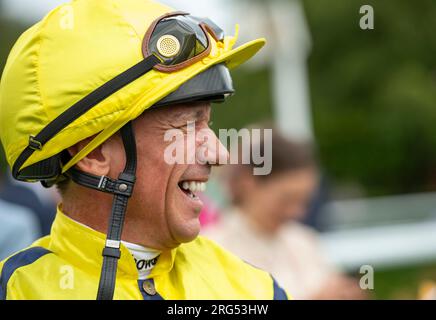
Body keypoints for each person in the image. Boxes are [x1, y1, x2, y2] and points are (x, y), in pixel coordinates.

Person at [0, 0, 289, 300]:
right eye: (187, 126)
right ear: (92, 154)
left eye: (208, 124)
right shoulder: (15, 291)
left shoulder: (257, 291)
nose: (219, 155)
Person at [204, 131, 364, 299]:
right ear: (248, 182)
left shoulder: (304, 242)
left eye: (304, 201)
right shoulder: (211, 249)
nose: (297, 212)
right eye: (286, 199)